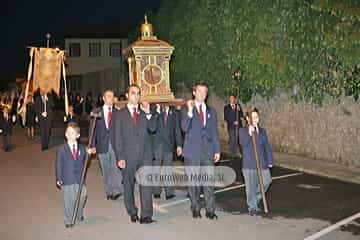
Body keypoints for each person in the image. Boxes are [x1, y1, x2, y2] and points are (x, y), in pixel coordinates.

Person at [112, 84, 158, 224]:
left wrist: (149, 112)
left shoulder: (144, 112)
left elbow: (153, 128)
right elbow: (117, 137)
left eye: (138, 93)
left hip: (145, 155)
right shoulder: (120, 114)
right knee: (129, 184)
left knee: (146, 185)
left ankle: (146, 215)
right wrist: (120, 157)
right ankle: (132, 211)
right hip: (128, 155)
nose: (136, 96)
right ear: (127, 95)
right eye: (133, 93)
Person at [181, 81, 221, 219]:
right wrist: (191, 111)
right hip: (192, 151)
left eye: (204, 91)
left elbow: (214, 132)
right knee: (193, 183)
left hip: (208, 151)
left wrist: (217, 150)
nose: (202, 94)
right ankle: (196, 208)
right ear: (194, 92)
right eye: (199, 91)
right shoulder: (186, 109)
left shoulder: (211, 111)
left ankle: (210, 210)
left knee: (208, 182)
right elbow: (184, 128)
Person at [55, 122, 96, 228]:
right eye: (68, 132)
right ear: (65, 134)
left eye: (72, 133)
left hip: (79, 178)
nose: (69, 134)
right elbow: (59, 164)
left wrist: (89, 154)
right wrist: (59, 178)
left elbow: (86, 160)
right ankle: (68, 219)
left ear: (77, 135)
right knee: (68, 200)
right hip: (67, 178)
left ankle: (78, 212)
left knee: (83, 195)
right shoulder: (61, 149)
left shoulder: (82, 148)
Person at [239, 108, 274, 216]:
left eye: (256, 117)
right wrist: (249, 133)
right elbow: (243, 144)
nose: (255, 119)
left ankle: (256, 198)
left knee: (267, 181)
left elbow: (266, 146)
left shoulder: (262, 131)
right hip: (249, 164)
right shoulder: (243, 131)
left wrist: (270, 160)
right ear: (247, 119)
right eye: (252, 117)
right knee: (250, 187)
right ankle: (252, 207)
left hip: (262, 162)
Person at [93, 90, 123, 200]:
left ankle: (116, 190)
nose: (111, 98)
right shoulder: (97, 112)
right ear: (104, 98)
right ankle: (108, 190)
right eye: (108, 96)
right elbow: (93, 130)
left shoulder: (118, 112)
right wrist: (92, 145)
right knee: (105, 170)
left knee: (115, 168)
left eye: (112, 96)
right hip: (102, 145)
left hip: (116, 145)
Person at [151, 104, 182, 200]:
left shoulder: (174, 113)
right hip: (157, 146)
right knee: (155, 169)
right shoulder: (154, 111)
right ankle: (156, 191)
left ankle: (169, 192)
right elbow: (151, 127)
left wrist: (179, 145)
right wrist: (157, 112)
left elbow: (177, 129)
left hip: (168, 145)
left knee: (168, 169)